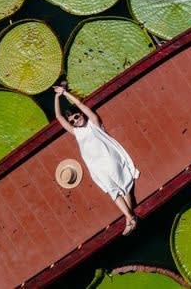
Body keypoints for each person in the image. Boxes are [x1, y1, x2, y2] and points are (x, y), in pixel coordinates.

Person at [53, 85, 140, 236]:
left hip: (109, 159)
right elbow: (59, 118)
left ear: (81, 114)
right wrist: (57, 97)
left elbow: (80, 105)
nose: (75, 121)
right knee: (112, 192)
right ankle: (130, 218)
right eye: (72, 121)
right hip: (97, 166)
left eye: (76, 117)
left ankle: (130, 219)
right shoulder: (77, 133)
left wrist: (65, 92)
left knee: (123, 186)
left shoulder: (93, 123)